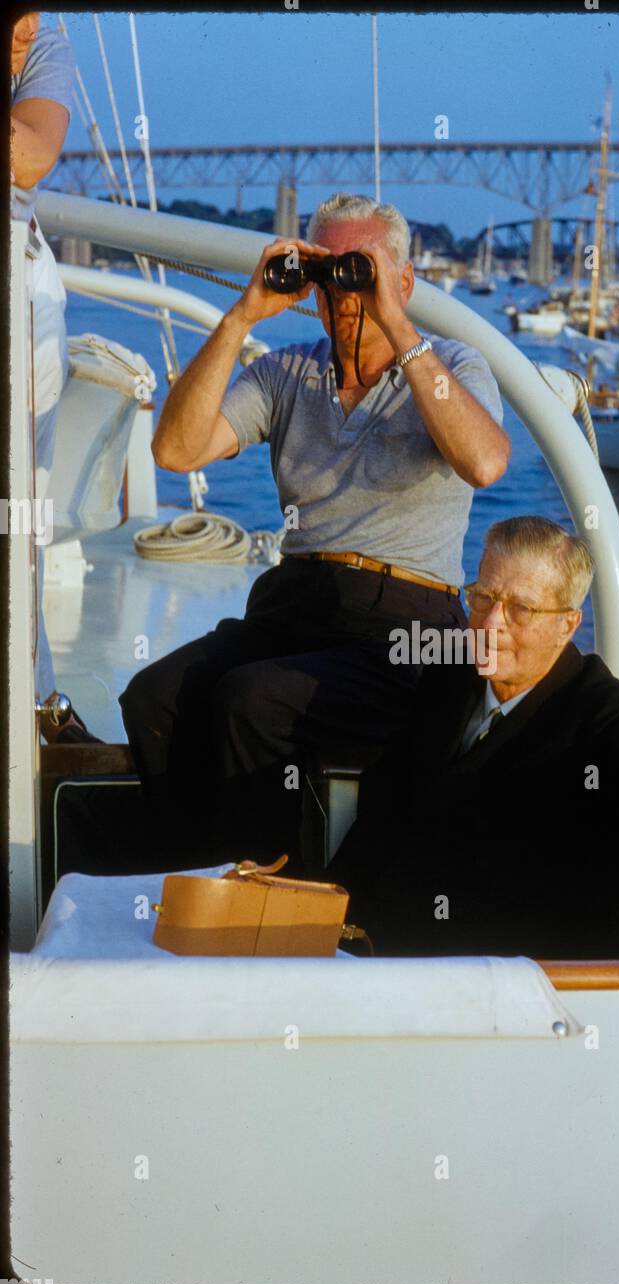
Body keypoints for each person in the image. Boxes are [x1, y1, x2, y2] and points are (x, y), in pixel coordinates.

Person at [119, 191, 510, 866]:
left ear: (405, 280)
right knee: (152, 696)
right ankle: (187, 870)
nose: (343, 296)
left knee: (250, 701)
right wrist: (242, 316)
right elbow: (175, 451)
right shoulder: (286, 371)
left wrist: (398, 324)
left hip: (408, 627)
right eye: (330, 276)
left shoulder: (452, 367)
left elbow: (484, 462)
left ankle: (262, 902)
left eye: (361, 272)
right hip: (295, 604)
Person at [329, 516, 619, 959]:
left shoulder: (602, 711)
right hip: (379, 950)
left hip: (512, 980)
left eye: (521, 609)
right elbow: (386, 805)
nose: (492, 624)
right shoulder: (447, 681)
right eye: (483, 597)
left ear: (567, 625)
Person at [11, 13, 94, 743]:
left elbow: (29, 156)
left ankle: (30, 709)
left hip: (19, 300)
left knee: (17, 529)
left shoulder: (41, 44)